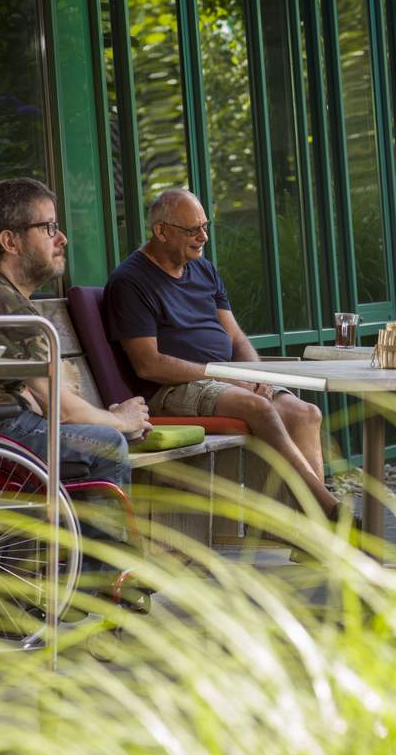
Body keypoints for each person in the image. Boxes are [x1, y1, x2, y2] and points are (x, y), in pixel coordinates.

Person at [0, 178, 152, 547]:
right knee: (108, 444)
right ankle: (102, 580)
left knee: (96, 434)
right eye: (48, 227)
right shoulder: (3, 303)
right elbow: (61, 412)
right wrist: (121, 419)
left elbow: (39, 397)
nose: (61, 237)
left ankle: (62, 562)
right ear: (10, 241)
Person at [104, 189, 339, 518]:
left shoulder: (204, 271)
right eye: (192, 230)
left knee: (306, 413)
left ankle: (312, 534)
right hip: (170, 389)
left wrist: (257, 376)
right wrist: (227, 377)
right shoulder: (131, 282)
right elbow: (149, 365)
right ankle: (326, 507)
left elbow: (235, 336)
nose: (203, 237)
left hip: (226, 380)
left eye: (205, 226)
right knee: (257, 407)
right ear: (161, 231)